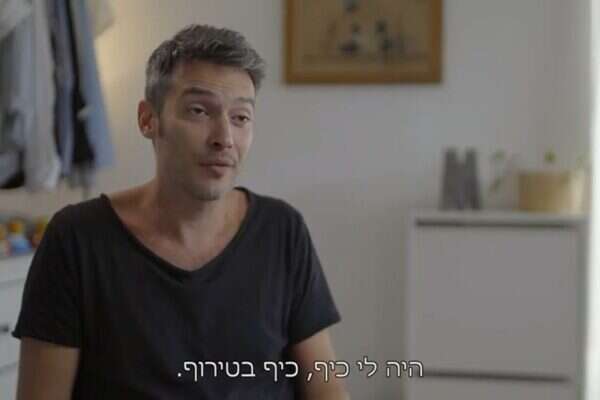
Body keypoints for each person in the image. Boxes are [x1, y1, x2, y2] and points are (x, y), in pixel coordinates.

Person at [11, 24, 348, 399]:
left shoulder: (282, 231)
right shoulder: (77, 239)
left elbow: (326, 391)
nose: (224, 138)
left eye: (240, 117)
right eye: (199, 111)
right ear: (148, 119)